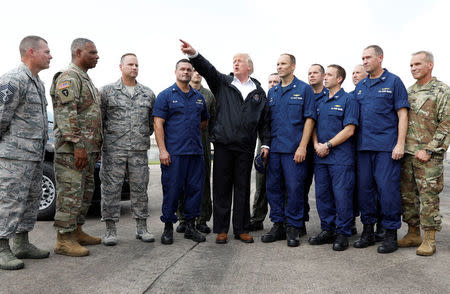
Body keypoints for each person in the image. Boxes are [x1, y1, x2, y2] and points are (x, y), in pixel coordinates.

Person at [180, 39, 270, 244]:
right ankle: (221, 229)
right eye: (233, 61)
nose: (235, 63)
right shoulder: (223, 83)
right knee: (221, 188)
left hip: (245, 147)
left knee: (243, 188)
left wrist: (265, 143)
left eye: (239, 61)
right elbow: (208, 69)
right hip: (223, 144)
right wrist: (194, 54)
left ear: (249, 66)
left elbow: (265, 122)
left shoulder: (258, 92)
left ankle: (241, 229)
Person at [0, 36, 52, 270]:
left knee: (30, 201)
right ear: (31, 52)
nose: (50, 56)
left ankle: (21, 243)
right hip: (14, 157)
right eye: (47, 51)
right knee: (8, 203)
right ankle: (2, 248)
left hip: (34, 156)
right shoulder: (14, 79)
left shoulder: (38, 82)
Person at [353, 45, 409, 254]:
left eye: (368, 57)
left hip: (387, 147)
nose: (365, 61)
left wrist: (400, 143)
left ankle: (390, 234)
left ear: (380, 58)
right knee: (365, 191)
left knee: (387, 191)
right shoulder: (361, 86)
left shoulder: (394, 82)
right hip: (363, 147)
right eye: (362, 58)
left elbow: (402, 114)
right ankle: (368, 231)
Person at [51, 38, 103, 257]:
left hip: (87, 149)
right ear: (78, 53)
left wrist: (95, 145)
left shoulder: (85, 78)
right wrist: (78, 145)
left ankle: (77, 231)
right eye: (92, 52)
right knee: (70, 192)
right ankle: (64, 239)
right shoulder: (68, 77)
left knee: (84, 192)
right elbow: (66, 114)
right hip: (72, 150)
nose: (97, 56)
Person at [99, 53, 156, 246]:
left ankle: (142, 228)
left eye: (137, 65)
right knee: (111, 190)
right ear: (120, 67)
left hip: (138, 151)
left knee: (140, 189)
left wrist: (138, 136)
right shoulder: (107, 92)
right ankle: (110, 230)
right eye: (130, 64)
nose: (134, 68)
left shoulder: (148, 93)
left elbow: (151, 124)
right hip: (114, 150)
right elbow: (100, 120)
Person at [398, 51, 450, 256]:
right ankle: (413, 233)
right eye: (411, 65)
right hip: (407, 154)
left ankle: (430, 239)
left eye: (417, 64)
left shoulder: (441, 90)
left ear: (430, 65)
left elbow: (446, 125)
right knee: (408, 196)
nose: (413, 68)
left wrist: (429, 150)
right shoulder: (409, 92)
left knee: (428, 198)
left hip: (429, 156)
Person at [261, 54, 315, 247]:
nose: (279, 66)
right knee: (273, 189)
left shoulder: (304, 89)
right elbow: (267, 122)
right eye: (277, 64)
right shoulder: (273, 92)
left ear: (293, 66)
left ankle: (293, 226)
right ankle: (278, 225)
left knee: (294, 189)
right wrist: (266, 146)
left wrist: (302, 146)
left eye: (283, 63)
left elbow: (310, 119)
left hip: (295, 151)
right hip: (275, 150)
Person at [153, 59, 208, 245]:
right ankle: (168, 226)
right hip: (174, 154)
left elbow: (203, 122)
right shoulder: (165, 95)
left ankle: (190, 226)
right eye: (182, 69)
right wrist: (162, 150)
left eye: (189, 69)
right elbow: (158, 123)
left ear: (193, 73)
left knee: (195, 190)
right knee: (172, 190)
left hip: (195, 153)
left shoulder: (198, 97)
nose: (186, 72)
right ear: (175, 71)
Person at [309, 65, 358, 251]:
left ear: (339, 79)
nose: (325, 77)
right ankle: (327, 229)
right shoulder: (320, 101)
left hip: (340, 158)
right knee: (322, 196)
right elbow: (312, 124)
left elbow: (350, 129)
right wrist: (315, 145)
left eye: (329, 75)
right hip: (320, 157)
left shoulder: (348, 100)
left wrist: (328, 145)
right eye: (325, 74)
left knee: (342, 196)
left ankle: (342, 233)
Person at [176, 68, 216, 234]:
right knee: (182, 180)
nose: (197, 73)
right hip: (182, 142)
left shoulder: (209, 96)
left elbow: (213, 120)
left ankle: (202, 218)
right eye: (193, 70)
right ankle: (183, 218)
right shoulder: (180, 93)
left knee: (203, 180)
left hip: (203, 141)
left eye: (200, 71)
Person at [249, 73, 280, 232]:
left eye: (276, 81)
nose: (273, 84)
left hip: (281, 144)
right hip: (262, 143)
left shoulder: (282, 100)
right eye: (270, 81)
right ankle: (257, 218)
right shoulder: (262, 100)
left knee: (281, 185)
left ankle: (284, 220)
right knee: (261, 183)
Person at [304, 64, 329, 235]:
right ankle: (299, 223)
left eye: (315, 73)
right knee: (300, 188)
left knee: (326, 191)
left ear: (323, 75)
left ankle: (331, 226)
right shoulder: (304, 94)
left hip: (326, 150)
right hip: (305, 149)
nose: (312, 76)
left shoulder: (331, 94)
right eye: (309, 73)